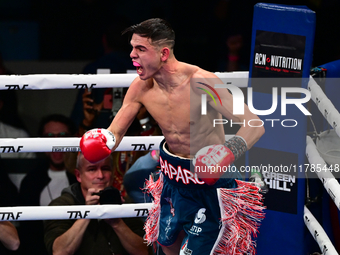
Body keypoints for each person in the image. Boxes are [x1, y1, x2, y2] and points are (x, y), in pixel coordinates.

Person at [80, 18, 265, 255]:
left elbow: (255, 124)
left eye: (140, 49)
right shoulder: (140, 87)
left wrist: (226, 152)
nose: (132, 55)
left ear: (164, 53)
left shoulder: (201, 83)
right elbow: (116, 131)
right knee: (166, 248)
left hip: (209, 186)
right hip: (173, 181)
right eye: (132, 48)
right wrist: (103, 139)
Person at [43, 152, 149, 255]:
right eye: (92, 169)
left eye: (105, 169)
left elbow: (144, 251)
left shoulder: (124, 203)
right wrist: (87, 214)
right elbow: (59, 251)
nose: (100, 175)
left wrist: (117, 223)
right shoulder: (62, 205)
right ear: (78, 175)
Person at [18, 114, 77, 255]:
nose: (56, 143)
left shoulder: (83, 176)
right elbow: (27, 232)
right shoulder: (31, 181)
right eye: (49, 136)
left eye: (62, 136)